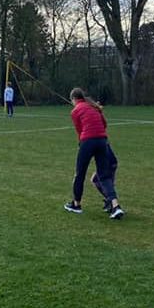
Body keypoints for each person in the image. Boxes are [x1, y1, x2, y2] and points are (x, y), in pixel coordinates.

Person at [64, 88, 124, 220]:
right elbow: (104, 124)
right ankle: (115, 206)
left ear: (73, 99)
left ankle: (76, 204)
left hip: (88, 141)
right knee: (104, 176)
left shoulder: (75, 111)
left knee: (80, 173)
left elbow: (79, 131)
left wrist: (82, 143)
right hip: (102, 140)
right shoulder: (94, 106)